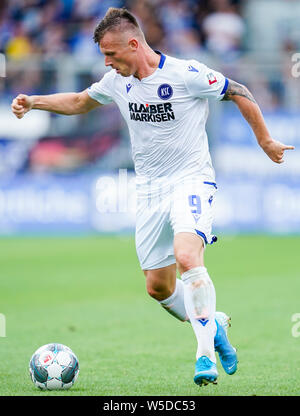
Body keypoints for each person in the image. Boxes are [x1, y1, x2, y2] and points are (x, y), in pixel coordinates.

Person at [11, 7, 294, 387]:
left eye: (111, 54)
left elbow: (238, 92)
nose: (106, 62)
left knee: (187, 255)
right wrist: (33, 102)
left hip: (192, 181)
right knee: (157, 287)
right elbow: (79, 101)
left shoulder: (185, 73)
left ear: (133, 43)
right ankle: (216, 327)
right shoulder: (116, 81)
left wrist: (265, 141)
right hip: (149, 190)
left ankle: (204, 353)